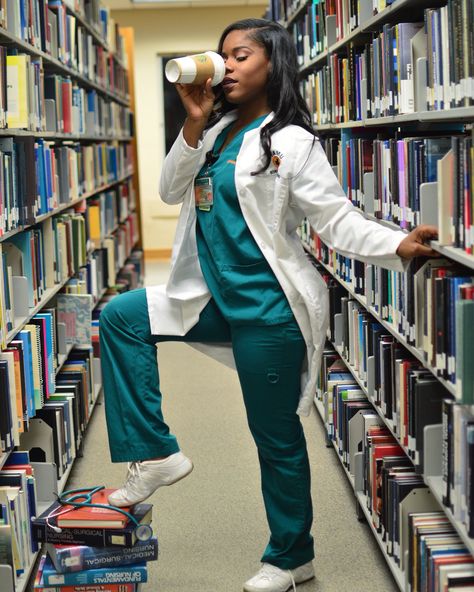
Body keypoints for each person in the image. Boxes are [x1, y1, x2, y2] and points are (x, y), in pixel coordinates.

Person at [99, 18, 439, 592]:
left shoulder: (292, 141)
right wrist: (193, 119)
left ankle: (291, 556)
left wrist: (394, 245)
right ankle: (155, 453)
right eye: (222, 56)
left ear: (272, 64)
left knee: (274, 436)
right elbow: (168, 189)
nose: (225, 66)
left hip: (266, 308)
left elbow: (335, 219)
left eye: (240, 56)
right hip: (208, 295)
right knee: (120, 316)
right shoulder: (215, 128)